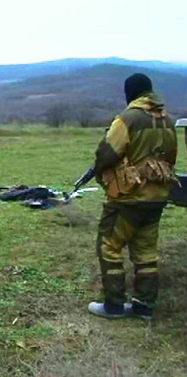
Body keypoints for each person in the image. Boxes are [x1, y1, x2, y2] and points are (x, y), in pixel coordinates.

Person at [88, 73, 178, 320]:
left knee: (109, 246)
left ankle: (114, 305)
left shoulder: (128, 119)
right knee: (146, 252)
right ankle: (144, 306)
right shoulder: (168, 120)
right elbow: (170, 159)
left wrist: (101, 172)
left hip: (128, 198)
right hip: (157, 197)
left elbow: (107, 153)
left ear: (130, 92)